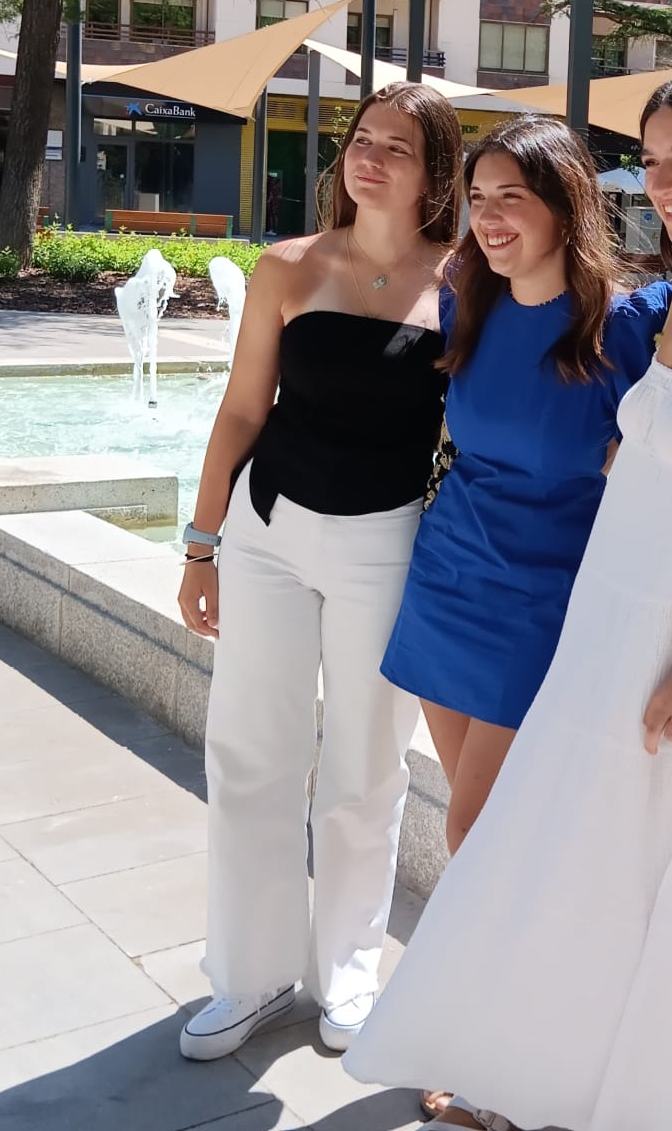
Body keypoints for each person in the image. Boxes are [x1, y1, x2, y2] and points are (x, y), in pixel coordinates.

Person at [346, 69, 672, 1131]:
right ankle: (536, 1076)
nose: (664, 183)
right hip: (617, 620)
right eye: (654, 161)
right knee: (585, 855)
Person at [175, 82, 464, 1066]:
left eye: (399, 147)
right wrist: (200, 544)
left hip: (388, 543)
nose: (371, 158)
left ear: (435, 176)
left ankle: (348, 973)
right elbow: (241, 412)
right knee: (249, 752)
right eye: (361, 140)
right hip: (267, 530)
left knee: (366, 769)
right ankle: (247, 979)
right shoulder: (288, 268)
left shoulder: (465, 284)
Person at [384, 114, 671, 856]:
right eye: (478, 197)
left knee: (476, 830)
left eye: (510, 196)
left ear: (564, 202)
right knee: (489, 828)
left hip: (543, 597)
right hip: (446, 579)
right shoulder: (464, 303)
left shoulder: (631, 323)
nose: (487, 216)